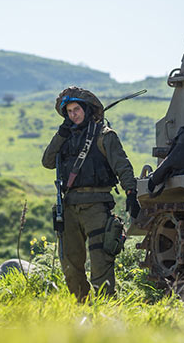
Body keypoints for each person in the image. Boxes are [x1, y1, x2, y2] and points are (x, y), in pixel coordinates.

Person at [42, 86, 140, 301]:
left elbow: (122, 166)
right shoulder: (64, 137)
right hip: (69, 207)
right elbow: (47, 162)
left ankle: (106, 307)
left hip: (96, 206)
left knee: (100, 262)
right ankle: (82, 306)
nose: (73, 115)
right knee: (70, 264)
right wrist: (61, 135)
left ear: (87, 109)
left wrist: (131, 193)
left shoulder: (104, 136)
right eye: (68, 111)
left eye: (77, 109)